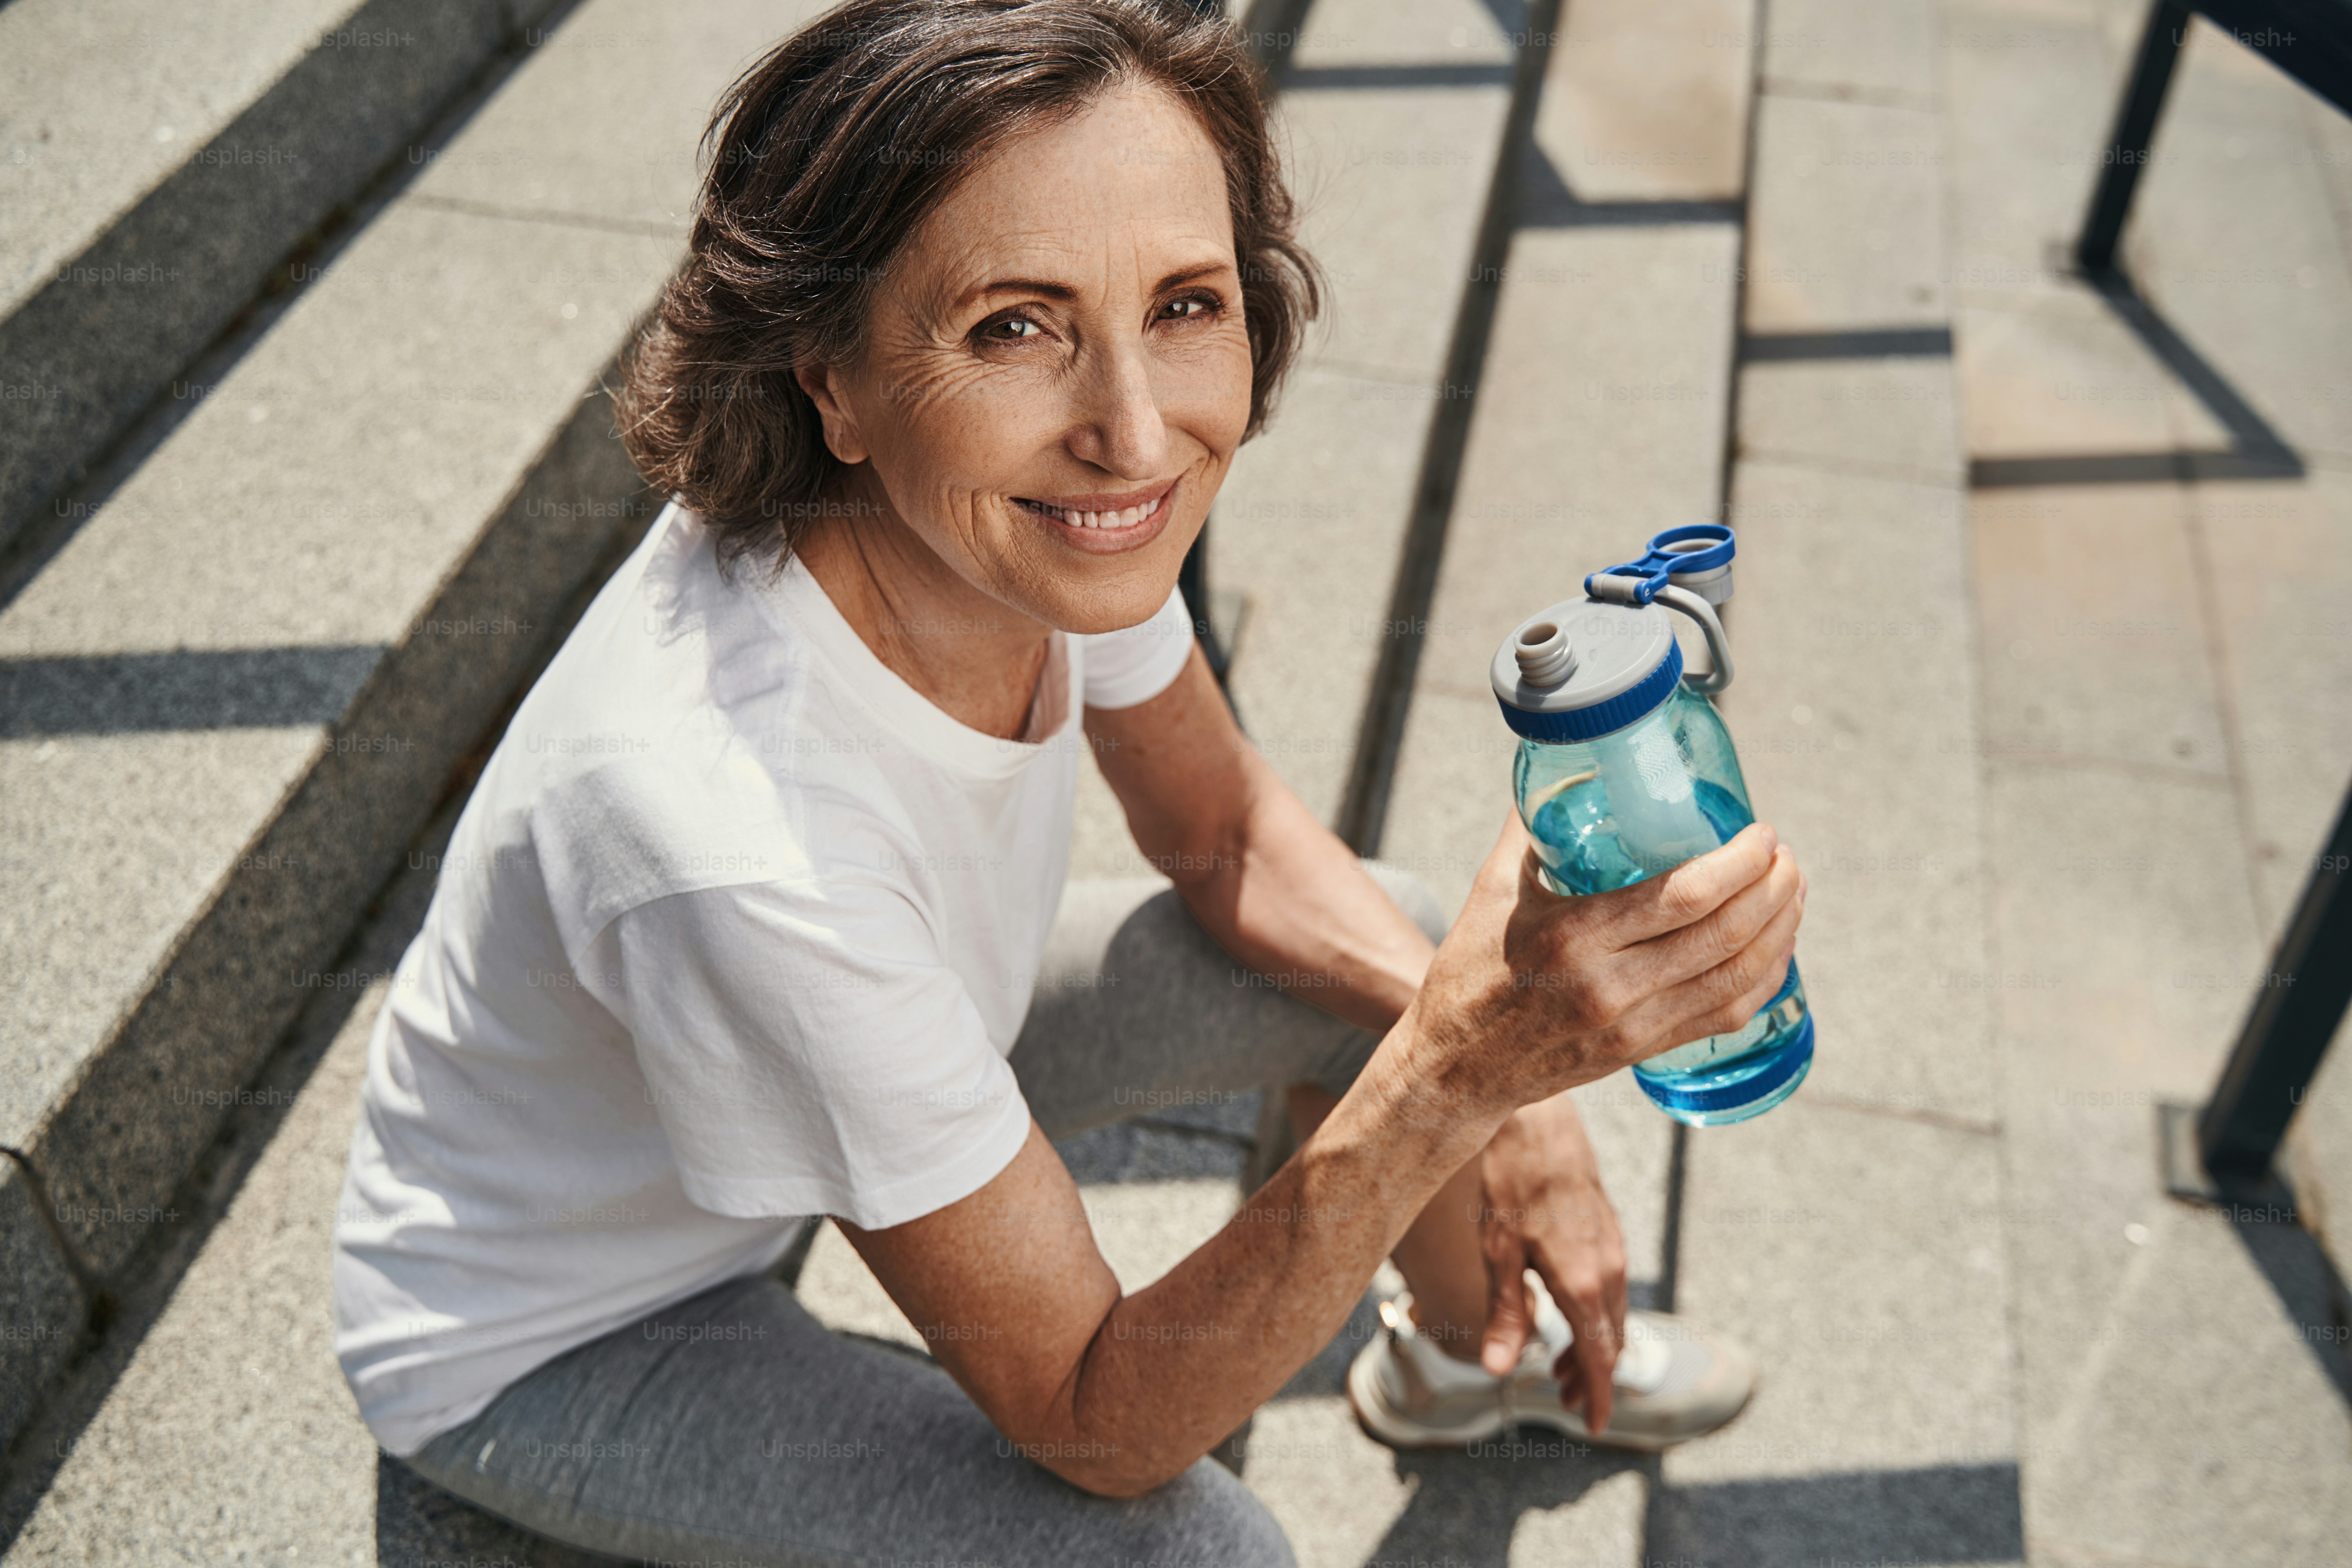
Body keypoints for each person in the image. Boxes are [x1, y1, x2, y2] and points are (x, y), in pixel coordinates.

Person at [330, 2, 1806, 1562]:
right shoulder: (735, 831)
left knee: (1388, 923)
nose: (1132, 429)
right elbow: (1098, 1417)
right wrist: (1460, 1078)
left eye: (1184, 303)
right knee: (1197, 1550)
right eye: (1012, 327)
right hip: (561, 1329)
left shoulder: (1021, 514)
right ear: (830, 375)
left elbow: (1228, 837)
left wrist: (1483, 1084)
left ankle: (1466, 1359)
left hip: (876, 1029)